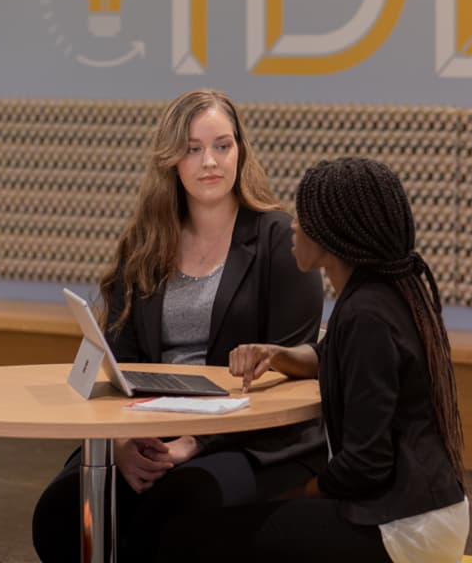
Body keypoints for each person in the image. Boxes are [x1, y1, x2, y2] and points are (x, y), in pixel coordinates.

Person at [31, 89, 326, 563]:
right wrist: (124, 443)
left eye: (222, 146)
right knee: (62, 513)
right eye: (193, 148)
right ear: (171, 159)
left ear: (240, 151)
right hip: (150, 427)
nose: (210, 161)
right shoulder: (146, 241)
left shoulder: (279, 241)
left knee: (172, 512)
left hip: (253, 438)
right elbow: (118, 356)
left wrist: (195, 441)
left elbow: (290, 370)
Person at [154, 156, 468, 563]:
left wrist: (298, 494)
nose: (295, 226)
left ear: (332, 235)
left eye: (304, 216)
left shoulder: (366, 315)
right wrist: (280, 356)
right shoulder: (385, 294)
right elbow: (334, 357)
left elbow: (364, 465)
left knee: (198, 537)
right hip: (424, 511)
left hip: (403, 529)